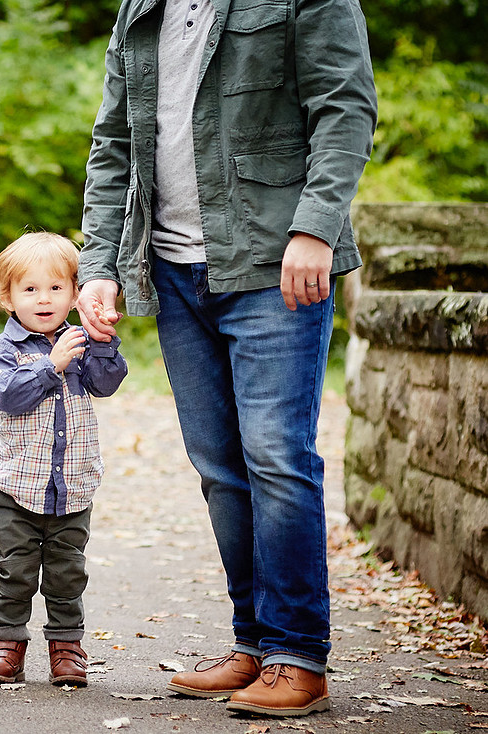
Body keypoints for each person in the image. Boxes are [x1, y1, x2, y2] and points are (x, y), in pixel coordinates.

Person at [78, 0, 377, 718]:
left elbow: (346, 108)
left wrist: (315, 226)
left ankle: (298, 655)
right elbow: (113, 142)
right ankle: (256, 642)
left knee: (275, 455)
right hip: (175, 271)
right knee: (219, 464)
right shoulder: (141, 9)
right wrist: (99, 262)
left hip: (276, 262)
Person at [0, 232, 127, 688]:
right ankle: (8, 645)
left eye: (57, 288)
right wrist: (52, 365)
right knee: (16, 570)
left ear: (75, 293)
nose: (44, 299)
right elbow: (9, 395)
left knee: (66, 571)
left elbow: (105, 382)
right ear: (8, 297)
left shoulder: (79, 340)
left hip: (72, 486)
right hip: (16, 487)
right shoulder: (5, 350)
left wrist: (102, 341)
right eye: (30, 289)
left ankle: (66, 647)